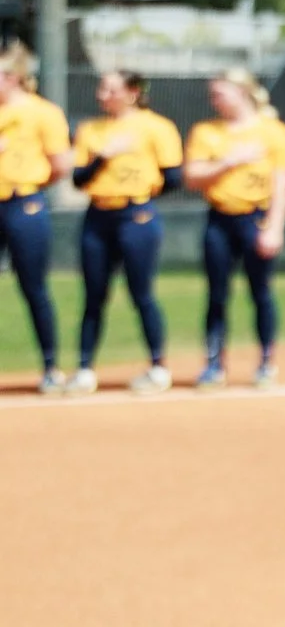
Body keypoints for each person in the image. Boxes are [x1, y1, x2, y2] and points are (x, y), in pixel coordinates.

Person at [69, 69, 185, 396]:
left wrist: (139, 193)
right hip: (98, 214)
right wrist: (104, 157)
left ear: (132, 92)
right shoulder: (91, 129)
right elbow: (78, 179)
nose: (102, 95)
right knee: (94, 294)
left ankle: (158, 367)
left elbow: (173, 177)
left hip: (136, 214)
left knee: (141, 292)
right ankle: (84, 369)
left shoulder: (157, 127)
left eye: (110, 89)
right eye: (101, 89)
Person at [184, 67, 285, 389]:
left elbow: (281, 184)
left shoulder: (273, 132)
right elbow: (192, 177)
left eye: (220, 92)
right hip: (219, 218)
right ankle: (214, 363)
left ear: (242, 92)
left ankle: (265, 361)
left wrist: (274, 228)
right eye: (213, 94)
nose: (215, 99)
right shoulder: (206, 131)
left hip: (256, 218)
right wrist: (230, 161)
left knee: (260, 292)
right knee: (217, 294)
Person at [0, 42, 71, 394]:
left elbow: (60, 166)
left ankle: (50, 366)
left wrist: (26, 182)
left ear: (12, 77)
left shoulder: (44, 113)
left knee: (33, 287)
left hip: (23, 204)